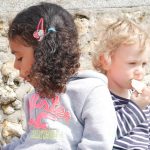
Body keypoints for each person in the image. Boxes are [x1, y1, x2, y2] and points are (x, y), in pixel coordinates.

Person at [2, 2, 117, 150]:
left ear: (43, 53)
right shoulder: (33, 98)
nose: (15, 66)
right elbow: (30, 138)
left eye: (19, 58)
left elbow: (98, 143)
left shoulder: (90, 91)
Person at [93, 18, 150, 149]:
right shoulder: (100, 98)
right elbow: (103, 135)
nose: (140, 71)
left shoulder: (143, 102)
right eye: (132, 63)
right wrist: (135, 108)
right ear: (106, 61)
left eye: (144, 64)